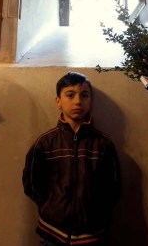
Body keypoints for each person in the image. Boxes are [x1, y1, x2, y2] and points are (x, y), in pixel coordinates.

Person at [23, 72, 121, 245]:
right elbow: (31, 184)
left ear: (91, 100)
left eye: (84, 95)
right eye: (70, 95)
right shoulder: (45, 143)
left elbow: (112, 188)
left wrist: (99, 212)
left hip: (93, 235)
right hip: (52, 233)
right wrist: (49, 207)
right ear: (58, 102)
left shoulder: (104, 145)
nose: (78, 101)